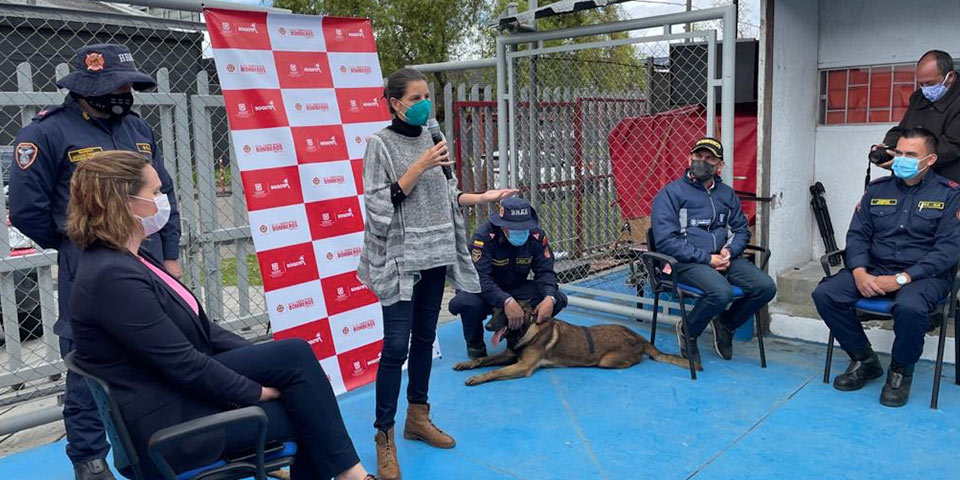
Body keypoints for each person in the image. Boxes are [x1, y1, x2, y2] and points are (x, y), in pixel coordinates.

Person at [67, 151, 375, 480]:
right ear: (122, 202)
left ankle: (349, 475)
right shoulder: (111, 277)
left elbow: (206, 333)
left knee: (294, 355)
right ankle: (351, 475)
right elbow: (182, 362)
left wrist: (265, 367)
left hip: (174, 394)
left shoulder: (130, 258)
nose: (163, 200)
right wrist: (254, 391)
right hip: (172, 425)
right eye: (155, 193)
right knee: (304, 412)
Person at [8, 44, 181, 480]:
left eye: (129, 85)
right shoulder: (46, 134)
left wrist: (172, 256)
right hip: (87, 268)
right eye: (116, 86)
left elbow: (166, 197)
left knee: (159, 353)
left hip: (150, 263)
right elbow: (27, 210)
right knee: (89, 366)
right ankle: (90, 462)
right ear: (86, 88)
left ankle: (164, 448)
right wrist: (83, 242)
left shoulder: (139, 129)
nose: (125, 92)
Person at [357, 67, 515, 480]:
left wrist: (484, 196)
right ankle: (383, 435)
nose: (425, 104)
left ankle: (418, 417)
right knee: (395, 347)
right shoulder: (380, 145)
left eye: (427, 96)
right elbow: (376, 207)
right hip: (398, 261)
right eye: (415, 98)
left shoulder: (435, 136)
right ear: (394, 103)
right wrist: (419, 166)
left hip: (434, 255)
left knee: (425, 338)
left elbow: (448, 194)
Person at [813, 128, 960, 407]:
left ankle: (900, 371)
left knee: (910, 308)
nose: (902, 159)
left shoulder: (950, 194)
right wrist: (858, 271)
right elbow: (857, 235)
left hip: (922, 275)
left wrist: (902, 279)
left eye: (911, 155)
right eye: (899, 153)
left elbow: (948, 251)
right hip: (875, 267)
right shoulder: (876, 190)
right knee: (826, 294)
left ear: (929, 160)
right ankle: (864, 359)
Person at [650, 137, 777, 365]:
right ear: (689, 159)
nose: (702, 162)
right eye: (698, 156)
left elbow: (741, 230)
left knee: (765, 287)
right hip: (684, 261)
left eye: (709, 158)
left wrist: (729, 251)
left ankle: (726, 324)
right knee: (722, 292)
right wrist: (707, 259)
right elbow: (666, 241)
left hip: (723, 258)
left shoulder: (726, 194)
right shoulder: (670, 194)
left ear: (720, 165)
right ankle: (688, 330)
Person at [448, 197, 567, 359]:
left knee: (557, 298)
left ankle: (525, 336)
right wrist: (506, 301)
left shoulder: (536, 236)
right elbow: (480, 279)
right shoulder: (483, 237)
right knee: (467, 302)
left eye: (524, 227)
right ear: (502, 225)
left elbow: (545, 271)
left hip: (515, 286)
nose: (521, 232)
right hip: (484, 290)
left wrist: (549, 298)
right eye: (515, 228)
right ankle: (475, 344)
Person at [872, 50, 960, 182]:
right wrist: (888, 147)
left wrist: (909, 161)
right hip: (911, 183)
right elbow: (903, 131)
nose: (925, 89)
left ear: (950, 77)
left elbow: (952, 147)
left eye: (930, 84)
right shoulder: (918, 97)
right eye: (921, 84)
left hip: (947, 183)